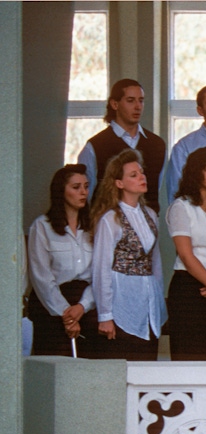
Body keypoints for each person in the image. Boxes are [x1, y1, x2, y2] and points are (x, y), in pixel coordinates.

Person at [90, 149, 167, 360]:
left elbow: (156, 262)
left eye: (141, 173)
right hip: (123, 301)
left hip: (148, 300)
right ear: (119, 183)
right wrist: (105, 315)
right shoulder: (110, 219)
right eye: (133, 175)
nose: (142, 177)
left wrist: (158, 301)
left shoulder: (150, 215)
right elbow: (101, 268)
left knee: (148, 364)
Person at [165, 147, 206, 361]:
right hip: (188, 288)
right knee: (189, 355)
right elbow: (186, 255)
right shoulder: (181, 207)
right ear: (196, 172)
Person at [27, 164, 100, 357]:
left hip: (85, 304)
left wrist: (82, 306)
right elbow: (41, 276)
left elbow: (99, 273)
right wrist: (66, 314)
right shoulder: (42, 227)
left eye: (86, 186)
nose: (83, 192)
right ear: (61, 191)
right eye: (76, 187)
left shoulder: (94, 227)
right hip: (52, 305)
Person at [78, 79, 166, 213]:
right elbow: (85, 194)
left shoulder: (157, 145)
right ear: (115, 104)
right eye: (130, 100)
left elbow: (154, 189)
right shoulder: (96, 145)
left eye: (141, 100)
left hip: (146, 224)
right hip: (107, 224)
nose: (138, 106)